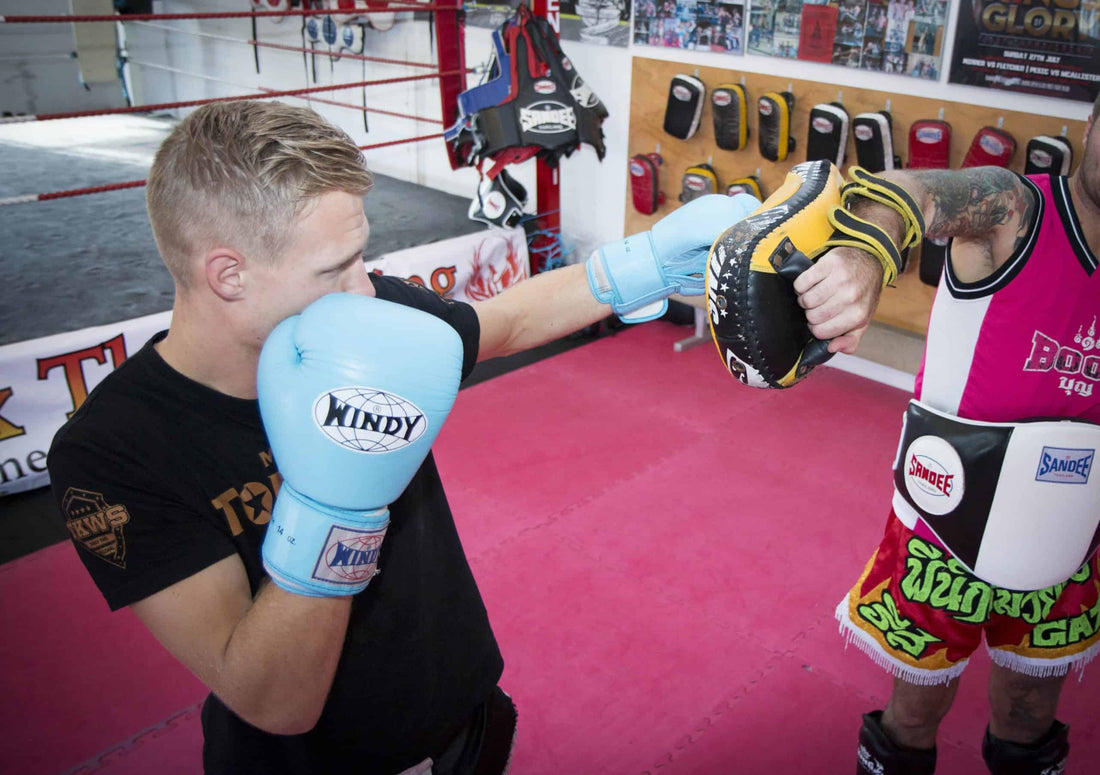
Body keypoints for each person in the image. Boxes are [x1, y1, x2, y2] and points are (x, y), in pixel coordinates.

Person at [47, 100, 880, 774]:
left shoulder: (365, 313)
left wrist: (647, 262)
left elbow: (505, 320)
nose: (364, 288)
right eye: (331, 268)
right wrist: (334, 503)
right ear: (226, 273)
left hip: (465, 715)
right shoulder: (113, 451)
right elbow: (273, 700)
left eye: (362, 257)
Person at [795, 100, 1100, 774]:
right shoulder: (1015, 210)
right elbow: (912, 190)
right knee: (915, 713)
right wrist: (871, 251)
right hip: (948, 521)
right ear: (1090, 125)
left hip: (1071, 525)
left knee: (1030, 710)